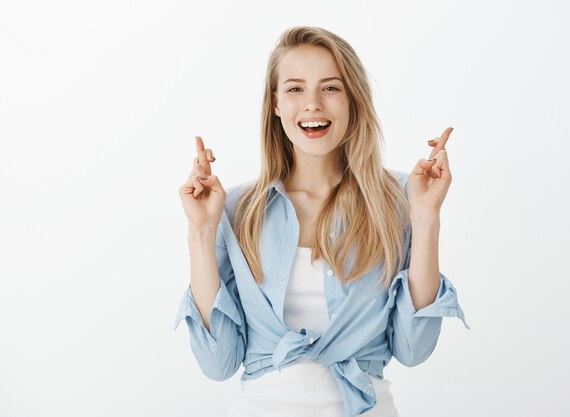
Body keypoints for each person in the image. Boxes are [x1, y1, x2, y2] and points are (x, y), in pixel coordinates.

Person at [174, 26, 470, 417]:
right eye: (295, 89)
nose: (312, 103)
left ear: (352, 100)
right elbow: (218, 363)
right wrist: (201, 230)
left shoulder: (400, 198)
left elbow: (413, 349)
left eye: (330, 88)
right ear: (275, 103)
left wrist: (426, 216)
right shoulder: (236, 209)